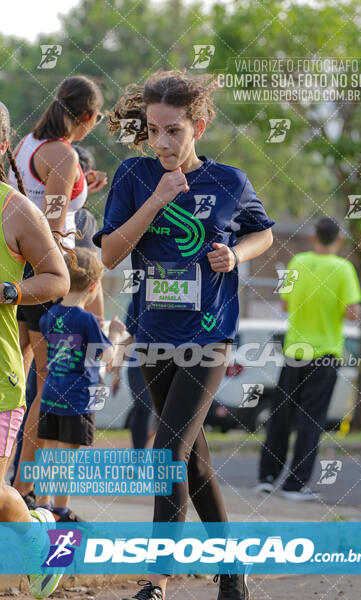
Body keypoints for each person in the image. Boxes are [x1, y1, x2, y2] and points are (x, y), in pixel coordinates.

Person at [93, 70, 274, 600]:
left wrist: (234, 254)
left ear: (200, 124)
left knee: (166, 451)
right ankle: (231, 569)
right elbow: (108, 254)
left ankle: (156, 581)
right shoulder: (133, 175)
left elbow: (261, 232)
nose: (163, 142)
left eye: (173, 130)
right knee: (190, 458)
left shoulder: (229, 182)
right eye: (154, 130)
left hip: (208, 335)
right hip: (153, 333)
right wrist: (157, 197)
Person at [9, 76, 104, 505]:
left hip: (18, 267)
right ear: (86, 118)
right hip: (46, 274)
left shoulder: (29, 143)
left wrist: (82, 186)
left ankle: (14, 486)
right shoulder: (64, 155)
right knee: (46, 389)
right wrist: (71, 261)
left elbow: (38, 195)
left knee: (18, 385)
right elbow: (52, 219)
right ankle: (23, 491)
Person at [0, 100, 70, 597]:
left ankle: (41, 532)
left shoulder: (15, 209)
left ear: (2, 145)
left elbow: (58, 277)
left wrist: (11, 292)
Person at [257, 217, 361, 500]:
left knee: (281, 416)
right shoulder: (344, 269)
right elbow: (353, 313)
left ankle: (267, 477)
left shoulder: (298, 263)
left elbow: (285, 303)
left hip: (294, 352)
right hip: (325, 355)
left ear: (314, 238)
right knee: (310, 420)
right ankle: (295, 485)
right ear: (338, 240)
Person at [35, 248, 125, 522]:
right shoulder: (87, 320)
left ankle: (41, 509)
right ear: (94, 286)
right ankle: (61, 512)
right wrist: (114, 334)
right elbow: (107, 358)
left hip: (51, 394)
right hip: (76, 400)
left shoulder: (50, 315)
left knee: (48, 455)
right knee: (66, 461)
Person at [112, 300, 157, 449]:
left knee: (164, 412)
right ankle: (138, 458)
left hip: (168, 360)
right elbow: (127, 337)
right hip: (138, 364)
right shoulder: (137, 303)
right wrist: (116, 373)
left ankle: (147, 450)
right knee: (144, 407)